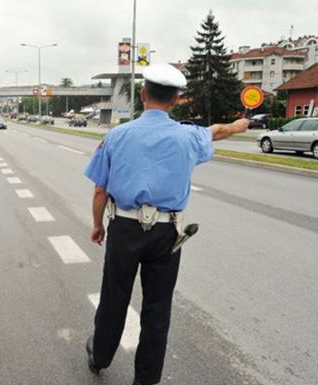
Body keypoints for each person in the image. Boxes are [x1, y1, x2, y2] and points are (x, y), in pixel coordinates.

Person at [84, 63, 249, 385]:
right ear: (176, 100)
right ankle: (146, 380)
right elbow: (216, 131)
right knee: (157, 309)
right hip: (167, 233)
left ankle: (99, 357)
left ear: (143, 95)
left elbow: (100, 189)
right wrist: (239, 125)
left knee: (114, 297)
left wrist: (97, 224)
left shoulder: (116, 135)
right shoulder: (188, 136)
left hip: (124, 228)